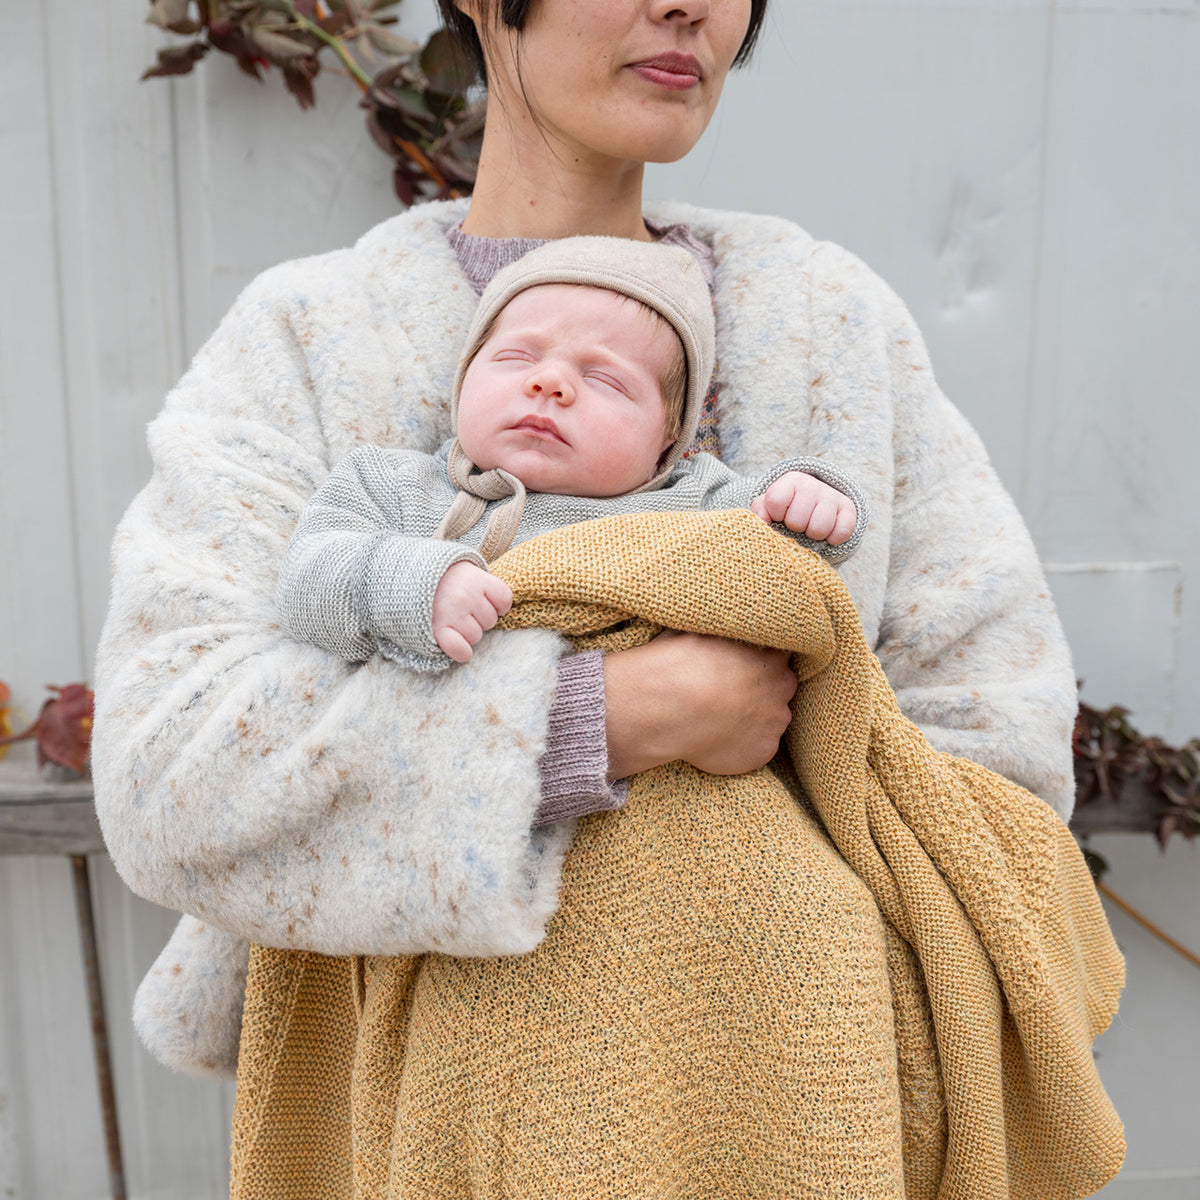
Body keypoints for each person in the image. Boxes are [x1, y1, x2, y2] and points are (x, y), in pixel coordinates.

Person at [93, 0, 1087, 1190]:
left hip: (793, 1107)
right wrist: (599, 716)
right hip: (434, 1121)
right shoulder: (312, 337)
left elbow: (1000, 745)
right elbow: (171, 771)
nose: (689, 8)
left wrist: (813, 989)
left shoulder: (826, 324)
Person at [277, 235, 866, 674]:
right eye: (515, 359)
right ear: (464, 380)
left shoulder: (692, 498)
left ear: (668, 440)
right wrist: (413, 584)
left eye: (606, 380)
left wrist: (808, 500)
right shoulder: (392, 486)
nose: (550, 384)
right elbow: (306, 582)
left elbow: (780, 551)